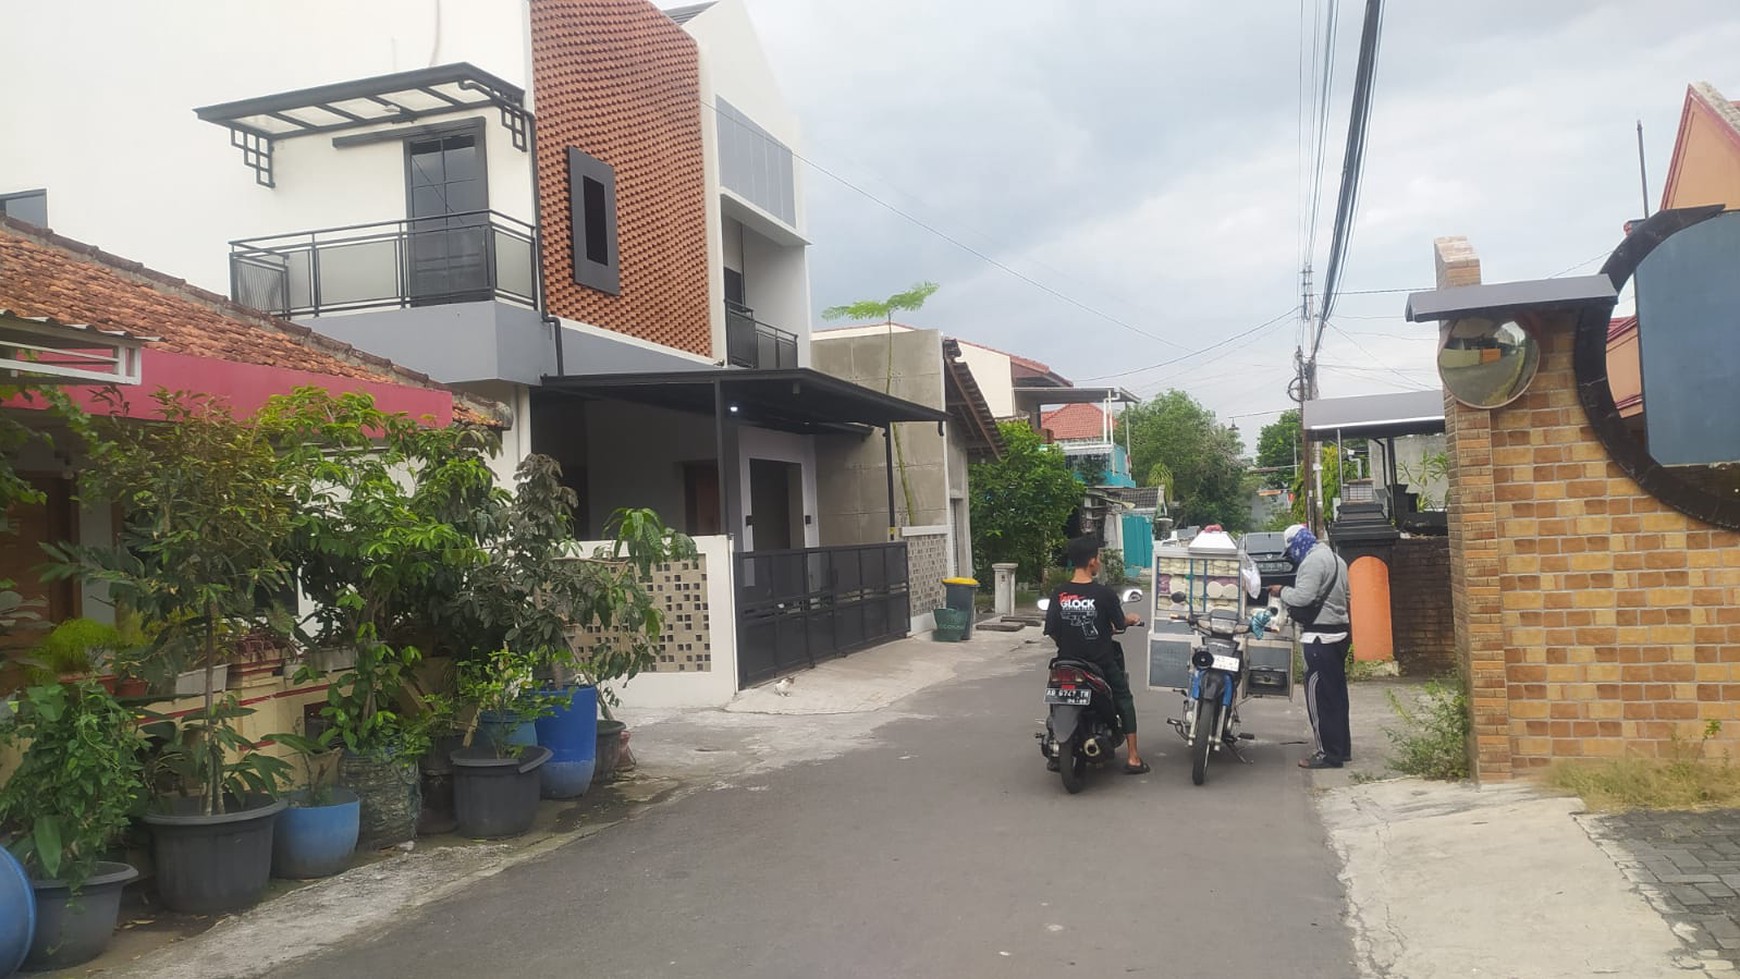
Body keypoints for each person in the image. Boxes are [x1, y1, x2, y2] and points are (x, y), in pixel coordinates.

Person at [1044, 535, 1148, 774]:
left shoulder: (1058, 594)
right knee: (1123, 698)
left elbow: (1052, 631)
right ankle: (1133, 757)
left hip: (1066, 662)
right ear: (1092, 562)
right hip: (1100, 663)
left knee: (1056, 697)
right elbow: (1119, 624)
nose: (1099, 561)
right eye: (1098, 557)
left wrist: (1070, 643)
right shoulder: (1104, 594)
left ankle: (1056, 746)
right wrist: (1129, 619)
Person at [1269, 523, 1351, 769]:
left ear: (1297, 544)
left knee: (1319, 698)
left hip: (1318, 639)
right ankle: (1341, 749)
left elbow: (1302, 597)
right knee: (1337, 697)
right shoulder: (1337, 560)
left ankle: (1327, 754)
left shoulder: (1312, 562)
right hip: (1338, 634)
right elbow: (1347, 597)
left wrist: (1282, 590)